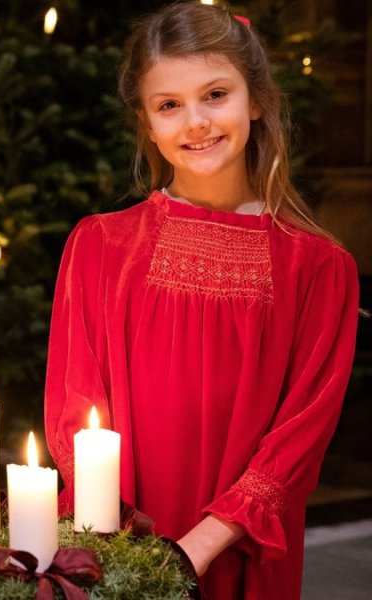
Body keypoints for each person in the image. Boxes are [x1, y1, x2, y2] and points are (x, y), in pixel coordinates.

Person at [44, 3, 359, 599]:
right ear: (147, 123)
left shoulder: (319, 268)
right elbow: (72, 404)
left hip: (238, 550)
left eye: (215, 94)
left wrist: (199, 547)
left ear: (256, 98)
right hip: (119, 545)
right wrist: (125, 547)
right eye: (169, 105)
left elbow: (303, 430)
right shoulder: (101, 247)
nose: (195, 123)